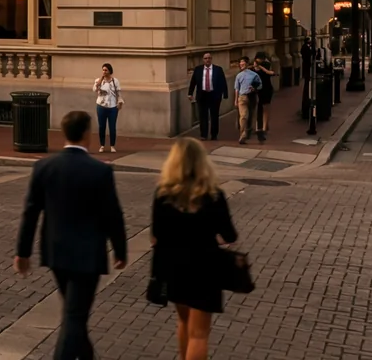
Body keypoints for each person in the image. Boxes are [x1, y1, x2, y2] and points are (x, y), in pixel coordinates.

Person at [14, 109, 128, 360]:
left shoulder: (44, 166)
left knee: (74, 313)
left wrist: (22, 252)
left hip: (56, 253)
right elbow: (113, 215)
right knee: (75, 317)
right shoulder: (100, 171)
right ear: (87, 134)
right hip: (88, 255)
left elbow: (30, 212)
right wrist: (120, 250)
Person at [148, 137, 239, 360]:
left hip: (173, 266)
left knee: (183, 321)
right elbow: (229, 235)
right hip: (204, 267)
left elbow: (156, 234)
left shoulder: (163, 194)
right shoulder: (213, 195)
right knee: (199, 334)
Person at [188, 54, 225, 140]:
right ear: (203, 60)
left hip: (214, 95)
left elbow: (222, 82)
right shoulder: (198, 69)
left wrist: (224, 93)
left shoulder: (218, 69)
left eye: (209, 58)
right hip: (202, 95)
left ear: (211, 59)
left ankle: (214, 134)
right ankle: (203, 134)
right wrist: (190, 93)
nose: (207, 60)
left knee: (214, 116)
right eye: (205, 58)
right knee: (203, 116)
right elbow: (193, 82)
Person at [92, 63, 123, 154]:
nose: (104, 72)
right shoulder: (99, 80)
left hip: (113, 106)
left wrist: (120, 102)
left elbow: (118, 93)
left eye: (106, 70)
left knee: (112, 127)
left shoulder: (115, 81)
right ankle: (102, 145)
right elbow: (95, 89)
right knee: (102, 126)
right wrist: (101, 79)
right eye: (103, 70)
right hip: (101, 106)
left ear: (110, 71)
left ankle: (112, 145)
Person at [232, 58, 260, 143]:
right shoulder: (238, 76)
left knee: (250, 115)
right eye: (240, 64)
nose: (241, 65)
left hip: (251, 97)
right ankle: (242, 135)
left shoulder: (254, 75)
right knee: (243, 116)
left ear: (247, 64)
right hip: (242, 97)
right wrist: (236, 100)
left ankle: (248, 130)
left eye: (243, 64)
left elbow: (259, 85)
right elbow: (236, 89)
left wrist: (255, 88)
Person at [252, 56, 274, 138]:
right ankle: (258, 128)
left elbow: (271, 73)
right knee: (258, 109)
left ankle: (264, 127)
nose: (256, 64)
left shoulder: (265, 69)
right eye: (255, 62)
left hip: (266, 91)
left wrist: (261, 67)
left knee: (265, 109)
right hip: (257, 92)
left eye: (258, 62)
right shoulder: (253, 71)